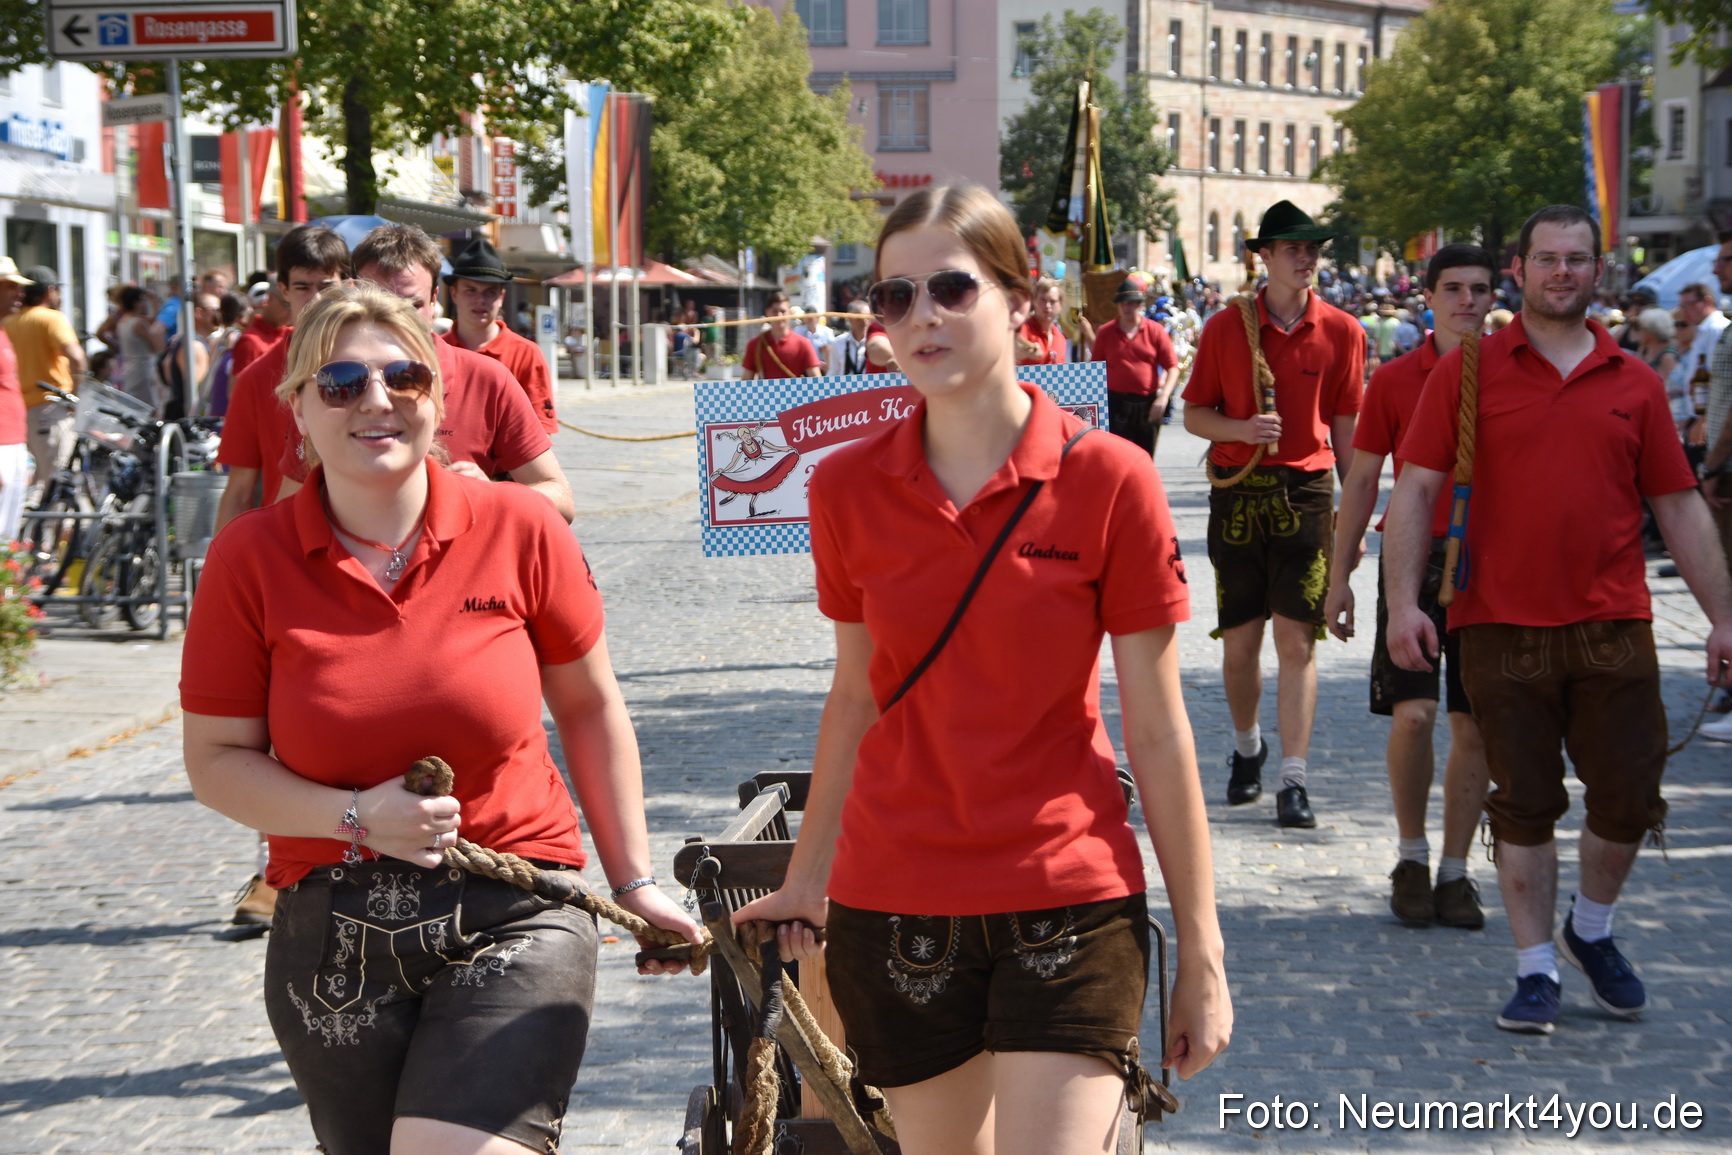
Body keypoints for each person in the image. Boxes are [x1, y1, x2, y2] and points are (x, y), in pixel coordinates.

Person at [734, 183, 1230, 1155]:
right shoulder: (844, 488)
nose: (922, 316)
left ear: (1020, 297)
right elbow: (856, 694)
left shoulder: (1109, 479)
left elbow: (1160, 729)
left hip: (1067, 889)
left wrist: (1204, 948)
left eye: (952, 288)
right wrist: (805, 877)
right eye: (894, 296)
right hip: (898, 900)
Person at [180, 283, 703, 1154]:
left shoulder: (521, 525)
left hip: (517, 901)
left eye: (404, 377)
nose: (376, 401)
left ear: (440, 397)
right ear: (299, 409)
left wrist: (635, 880)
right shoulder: (250, 557)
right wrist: (356, 816)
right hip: (332, 924)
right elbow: (216, 761)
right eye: (341, 383)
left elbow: (589, 706)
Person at [1384, 205, 1732, 1034]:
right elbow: (1417, 490)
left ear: (1597, 269)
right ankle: (1535, 965)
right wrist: (1401, 603)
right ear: (1520, 269)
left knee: (1630, 796)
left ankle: (1591, 928)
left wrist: (1723, 617)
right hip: (1498, 624)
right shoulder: (1466, 373)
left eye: (1577, 258)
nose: (1563, 271)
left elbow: (1679, 505)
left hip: (1615, 622)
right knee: (1524, 801)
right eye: (1547, 258)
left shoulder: (1634, 380)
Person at [1324, 244, 1498, 929]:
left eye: (1479, 288)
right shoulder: (1397, 379)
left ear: (1495, 296)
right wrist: (1339, 575)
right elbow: (1364, 480)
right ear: (1427, 297)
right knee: (1415, 715)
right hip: (1414, 558)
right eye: (1452, 287)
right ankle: (1411, 856)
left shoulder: (1515, 373)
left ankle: (1456, 870)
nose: (1466, 300)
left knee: (1474, 723)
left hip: (1490, 564)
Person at [1181, 201, 1364, 827]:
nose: (1306, 258)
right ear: (1264, 256)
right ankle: (1246, 748)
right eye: (1293, 248)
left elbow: (1347, 431)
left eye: (1312, 248)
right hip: (1239, 492)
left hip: (1307, 493)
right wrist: (1241, 428)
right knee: (1240, 644)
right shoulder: (1224, 328)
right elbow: (1193, 415)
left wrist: (1353, 520)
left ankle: (1294, 778)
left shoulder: (1343, 330)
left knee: (1297, 640)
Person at [215, 225, 352, 537]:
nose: (317, 298)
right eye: (303, 287)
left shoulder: (379, 365)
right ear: (283, 290)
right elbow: (238, 492)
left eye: (326, 286)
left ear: (348, 284)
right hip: (288, 546)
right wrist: (222, 563)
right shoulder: (256, 377)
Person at [443, 237, 557, 435]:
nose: (480, 300)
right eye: (470, 291)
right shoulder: (435, 349)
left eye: (490, 292)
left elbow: (539, 431)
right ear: (454, 294)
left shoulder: (526, 354)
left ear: (501, 297)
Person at [3, 266, 87, 500]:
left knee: (34, 479)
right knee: (56, 482)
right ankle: (50, 524)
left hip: (19, 411)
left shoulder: (8, 322)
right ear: (50, 291)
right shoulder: (51, 318)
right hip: (50, 408)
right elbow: (77, 357)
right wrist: (77, 396)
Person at [1092, 276, 1179, 457]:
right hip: (1115, 404)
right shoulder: (1106, 332)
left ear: (1140, 305)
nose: (1127, 308)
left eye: (1131, 303)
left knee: (1145, 457)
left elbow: (1172, 367)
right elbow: (1095, 370)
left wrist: (1163, 397)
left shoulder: (1155, 331)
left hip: (1147, 404)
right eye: (1123, 303)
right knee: (1117, 457)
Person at [0, 260, 29, 541]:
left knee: (7, 538)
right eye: (11, 286)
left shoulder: (3, 331)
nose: (20, 294)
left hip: (13, 440)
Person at [155, 291, 218, 419]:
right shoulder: (194, 346)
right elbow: (198, 394)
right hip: (188, 419)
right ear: (199, 313)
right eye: (216, 310)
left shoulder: (183, 342)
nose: (220, 315)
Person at [742, 292, 820, 379]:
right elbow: (746, 380)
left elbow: (816, 379)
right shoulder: (755, 344)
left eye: (783, 311)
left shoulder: (803, 344)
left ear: (789, 313)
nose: (779, 315)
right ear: (767, 312)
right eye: (774, 311)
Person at [113, 285, 165, 409]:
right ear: (136, 303)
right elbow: (157, 347)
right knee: (148, 406)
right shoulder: (138, 323)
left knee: (134, 403)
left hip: (129, 367)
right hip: (143, 369)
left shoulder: (123, 321)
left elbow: (152, 320)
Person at [231, 277, 290, 379]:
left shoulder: (290, 335)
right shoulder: (250, 341)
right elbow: (237, 386)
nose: (290, 310)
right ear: (270, 299)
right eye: (286, 304)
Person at [1015, 277, 1068, 366]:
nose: (1047, 306)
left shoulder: (1061, 339)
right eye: (1043, 300)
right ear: (1034, 301)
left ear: (1060, 304)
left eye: (1052, 301)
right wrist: (1025, 352)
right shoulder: (1023, 328)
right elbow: (1016, 348)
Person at [829, 300, 873, 375]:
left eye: (868, 317)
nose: (865, 321)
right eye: (859, 318)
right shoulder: (838, 343)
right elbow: (834, 371)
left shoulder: (874, 342)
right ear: (850, 318)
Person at [792, 307, 835, 374]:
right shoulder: (797, 330)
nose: (811, 320)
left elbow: (833, 350)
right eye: (808, 318)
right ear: (804, 319)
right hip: (804, 367)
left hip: (823, 367)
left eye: (812, 318)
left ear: (817, 318)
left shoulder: (827, 332)